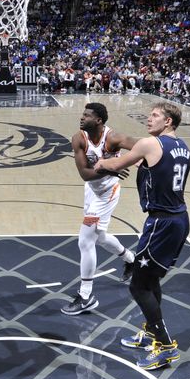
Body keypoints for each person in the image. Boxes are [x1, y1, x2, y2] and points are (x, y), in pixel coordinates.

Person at [94, 101, 190, 370]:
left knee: (138, 286)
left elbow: (117, 163)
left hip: (161, 223)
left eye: (155, 116)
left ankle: (166, 345)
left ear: (168, 122)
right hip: (179, 219)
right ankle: (151, 334)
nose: (149, 120)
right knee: (151, 280)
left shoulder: (150, 144)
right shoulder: (183, 146)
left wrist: (100, 161)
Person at [62, 103, 136, 316]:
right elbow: (85, 174)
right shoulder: (78, 138)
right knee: (100, 237)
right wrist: (110, 169)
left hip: (107, 193)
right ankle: (131, 260)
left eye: (87, 115)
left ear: (99, 121)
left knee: (85, 240)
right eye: (82, 114)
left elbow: (139, 144)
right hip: (92, 189)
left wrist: (157, 147)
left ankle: (86, 296)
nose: (82, 118)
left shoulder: (113, 138)